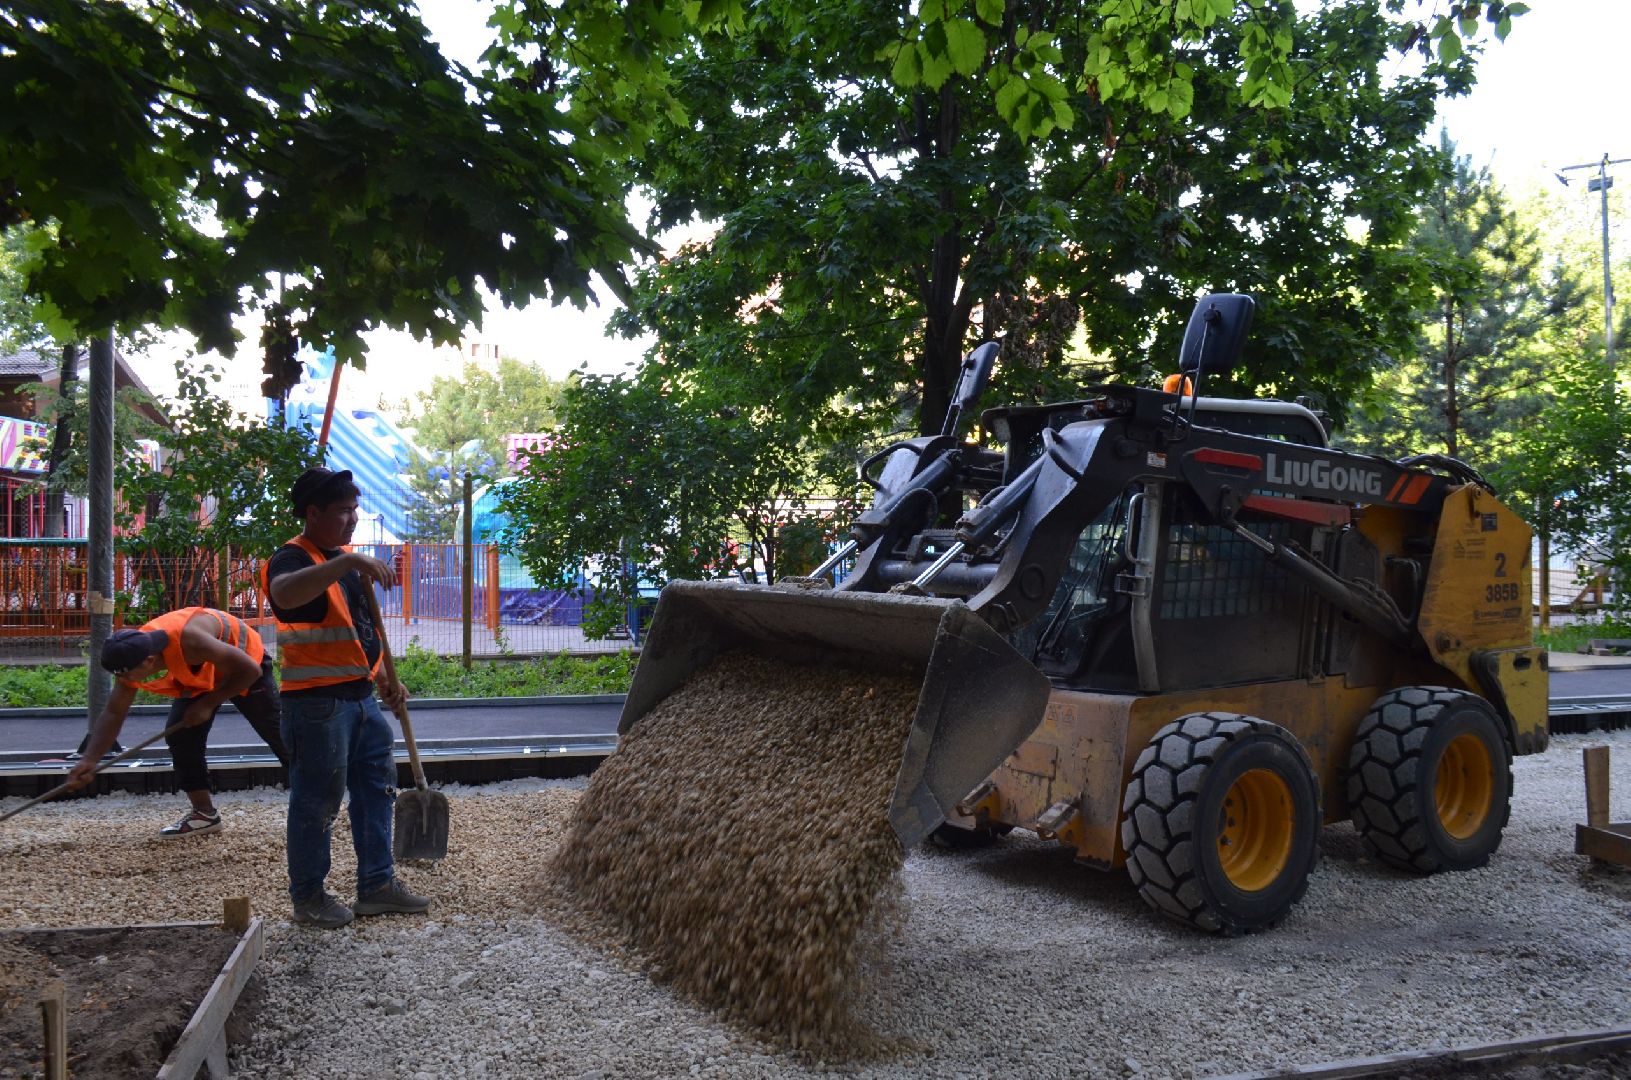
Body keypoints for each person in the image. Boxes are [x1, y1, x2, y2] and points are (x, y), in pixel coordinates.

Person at [263, 465, 429, 929]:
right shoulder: (292, 559)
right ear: (312, 513)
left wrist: (383, 681)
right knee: (317, 802)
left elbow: (359, 632)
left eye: (355, 510)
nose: (352, 520)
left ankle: (376, 885)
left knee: (377, 791)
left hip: (360, 702)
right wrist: (348, 562)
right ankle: (309, 898)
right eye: (343, 511)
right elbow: (283, 595)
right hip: (316, 706)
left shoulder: (344, 564)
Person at [69, 608, 291, 837]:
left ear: (149, 661)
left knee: (279, 733)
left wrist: (208, 703)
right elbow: (114, 712)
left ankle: (321, 797)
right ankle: (204, 815)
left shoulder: (193, 641)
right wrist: (90, 760)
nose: (123, 681)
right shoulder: (131, 654)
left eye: (125, 675)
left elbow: (250, 670)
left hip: (245, 663)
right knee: (181, 735)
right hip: (205, 672)